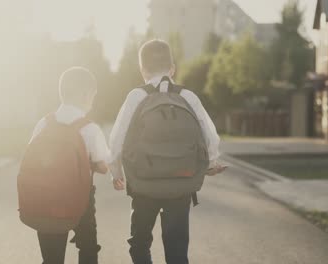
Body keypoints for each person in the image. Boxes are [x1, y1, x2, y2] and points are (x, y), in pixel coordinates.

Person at [108, 39, 225, 264]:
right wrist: (210, 164)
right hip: (181, 183)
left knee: (139, 243)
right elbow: (211, 135)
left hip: (143, 183)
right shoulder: (188, 96)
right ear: (173, 69)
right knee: (177, 249)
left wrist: (116, 173)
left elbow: (116, 139)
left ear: (143, 70)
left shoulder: (136, 96)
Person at [29, 67, 109, 264]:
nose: (92, 100)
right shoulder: (89, 128)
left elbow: (31, 156)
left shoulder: (43, 123)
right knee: (88, 248)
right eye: (93, 96)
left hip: (45, 199)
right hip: (80, 201)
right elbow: (103, 166)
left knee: (51, 258)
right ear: (85, 95)